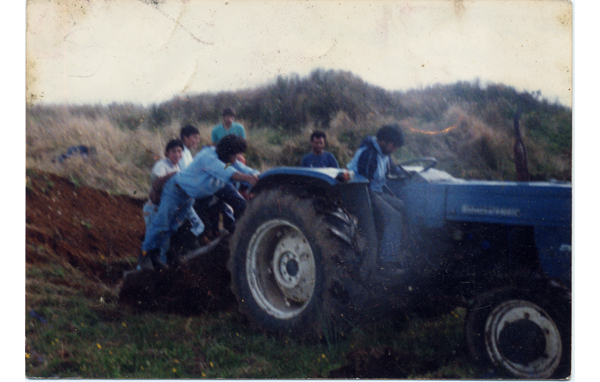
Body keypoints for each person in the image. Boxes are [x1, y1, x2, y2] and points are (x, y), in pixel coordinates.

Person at [138, 135, 259, 271]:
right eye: (236, 155)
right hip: (175, 191)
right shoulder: (208, 156)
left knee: (174, 226)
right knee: (162, 223)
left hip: (188, 196)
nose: (237, 158)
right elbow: (228, 171)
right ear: (228, 152)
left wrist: (260, 176)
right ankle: (144, 257)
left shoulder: (227, 160)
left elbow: (242, 169)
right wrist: (248, 178)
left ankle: (162, 257)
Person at [347, 124, 406, 268]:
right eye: (393, 146)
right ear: (383, 141)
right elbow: (364, 184)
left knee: (403, 206)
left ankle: (400, 249)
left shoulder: (384, 153)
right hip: (362, 192)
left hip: (376, 191)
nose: (394, 150)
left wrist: (404, 173)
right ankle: (388, 261)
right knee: (394, 217)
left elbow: (391, 168)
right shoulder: (369, 154)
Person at [141, 139, 204, 266]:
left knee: (164, 243)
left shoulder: (177, 166)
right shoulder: (162, 165)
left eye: (179, 151)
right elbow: (156, 184)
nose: (177, 154)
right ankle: (143, 268)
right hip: (155, 209)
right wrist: (172, 176)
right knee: (156, 241)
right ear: (167, 153)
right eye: (173, 152)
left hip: (167, 209)